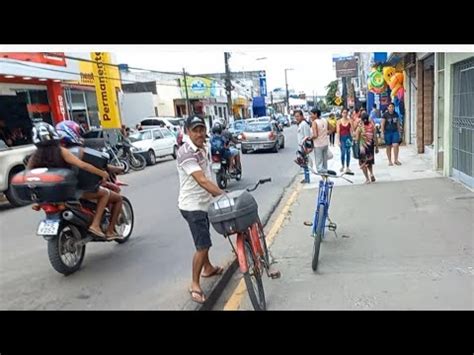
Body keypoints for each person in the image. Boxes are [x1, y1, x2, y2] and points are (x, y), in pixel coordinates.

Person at [27, 122, 112, 239]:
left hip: (47, 195)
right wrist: (102, 173)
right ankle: (95, 225)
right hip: (67, 192)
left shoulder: (35, 156)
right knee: (105, 193)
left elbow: (28, 175)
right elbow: (83, 166)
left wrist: (38, 199)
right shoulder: (61, 151)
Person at [177, 115, 225, 304]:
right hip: (192, 206)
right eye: (194, 130)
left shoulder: (203, 147)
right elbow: (202, 180)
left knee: (204, 238)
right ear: (187, 131)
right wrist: (223, 194)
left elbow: (208, 174)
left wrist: (215, 195)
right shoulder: (186, 152)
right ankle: (195, 284)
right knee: (203, 245)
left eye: (201, 129)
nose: (199, 133)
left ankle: (208, 268)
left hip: (203, 203)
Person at [55, 120, 124, 239]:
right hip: (79, 190)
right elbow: (92, 166)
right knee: (114, 197)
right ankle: (104, 229)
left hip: (60, 192)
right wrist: (104, 173)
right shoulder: (79, 151)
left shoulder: (52, 152)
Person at [355, 112, 379, 183]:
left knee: (362, 163)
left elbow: (357, 139)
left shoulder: (360, 127)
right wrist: (377, 147)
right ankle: (371, 174)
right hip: (370, 147)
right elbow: (375, 137)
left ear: (361, 119)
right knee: (369, 162)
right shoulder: (372, 126)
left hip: (362, 148)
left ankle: (367, 179)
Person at [295, 110, 312, 183]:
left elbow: (307, 136)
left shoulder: (304, 124)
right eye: (295, 116)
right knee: (303, 162)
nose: (297, 118)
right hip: (301, 146)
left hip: (304, 147)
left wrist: (307, 148)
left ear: (302, 116)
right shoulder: (300, 124)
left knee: (305, 162)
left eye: (298, 116)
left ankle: (307, 178)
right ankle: (306, 177)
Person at [310, 109, 329, 173]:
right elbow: (331, 128)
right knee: (324, 163)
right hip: (325, 143)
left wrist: (310, 138)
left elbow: (315, 135)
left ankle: (325, 175)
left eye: (311, 114)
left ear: (315, 114)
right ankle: (326, 179)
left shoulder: (314, 122)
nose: (310, 116)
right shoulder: (324, 120)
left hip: (318, 145)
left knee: (319, 165)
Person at [336, 108, 353, 173]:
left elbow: (352, 130)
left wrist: (353, 139)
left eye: (346, 113)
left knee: (348, 152)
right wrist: (338, 141)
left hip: (348, 138)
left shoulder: (350, 121)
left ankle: (347, 167)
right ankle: (342, 165)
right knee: (343, 153)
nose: (345, 114)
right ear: (341, 113)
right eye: (344, 113)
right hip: (342, 138)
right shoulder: (339, 121)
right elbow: (338, 131)